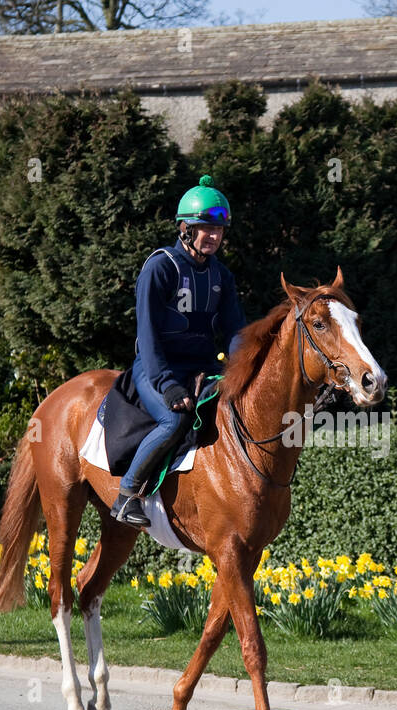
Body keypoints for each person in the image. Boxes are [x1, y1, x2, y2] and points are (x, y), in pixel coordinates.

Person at [111, 175, 246, 527]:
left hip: (202, 368)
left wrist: (244, 366)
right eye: (205, 229)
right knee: (175, 421)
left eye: (219, 230)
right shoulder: (160, 267)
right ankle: (127, 495)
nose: (213, 236)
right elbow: (149, 336)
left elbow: (234, 331)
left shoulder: (223, 276)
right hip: (157, 368)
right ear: (184, 228)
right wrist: (168, 385)